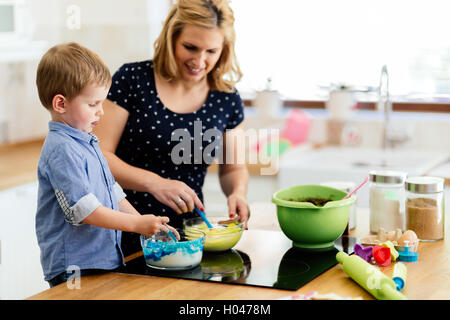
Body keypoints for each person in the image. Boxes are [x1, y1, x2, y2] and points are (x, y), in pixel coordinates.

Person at [94, 0, 250, 257]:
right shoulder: (132, 80)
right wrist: (155, 183)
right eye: (190, 47)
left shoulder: (226, 98)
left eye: (211, 51)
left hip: (186, 238)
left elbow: (233, 167)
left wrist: (238, 193)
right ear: (171, 38)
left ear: (224, 50)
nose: (199, 61)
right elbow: (98, 156)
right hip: (121, 229)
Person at [35, 42, 177, 287]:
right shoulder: (62, 149)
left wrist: (145, 222)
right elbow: (84, 210)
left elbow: (112, 191)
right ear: (60, 104)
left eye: (102, 103)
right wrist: (136, 224)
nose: (101, 112)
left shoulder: (87, 140)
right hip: (76, 268)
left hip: (103, 260)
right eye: (92, 104)